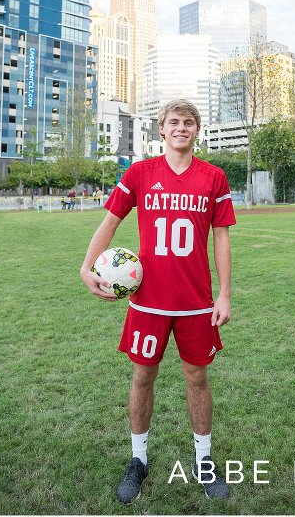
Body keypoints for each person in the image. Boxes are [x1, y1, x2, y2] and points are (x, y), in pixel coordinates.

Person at [79, 99, 236, 502]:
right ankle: (138, 459)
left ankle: (203, 459)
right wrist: (86, 267)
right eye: (173, 122)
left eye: (188, 122)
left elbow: (221, 237)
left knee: (198, 378)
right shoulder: (139, 173)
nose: (181, 128)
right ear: (161, 131)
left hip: (196, 304)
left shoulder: (214, 177)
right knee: (142, 377)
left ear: (196, 131)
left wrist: (224, 293)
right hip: (147, 303)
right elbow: (110, 221)